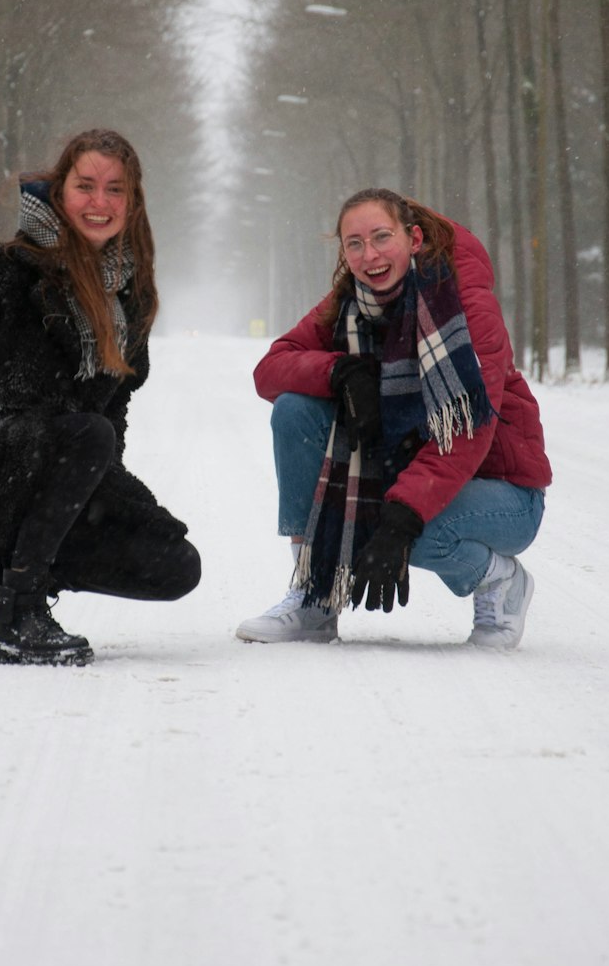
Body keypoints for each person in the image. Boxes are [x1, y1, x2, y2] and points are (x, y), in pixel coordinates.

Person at [0, 128, 200, 667]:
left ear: (132, 205)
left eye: (115, 190)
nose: (99, 202)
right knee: (88, 432)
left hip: (60, 466)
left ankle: (16, 569)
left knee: (175, 563)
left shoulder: (130, 297)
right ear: (60, 191)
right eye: (86, 186)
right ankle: (17, 613)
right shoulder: (3, 270)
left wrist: (118, 501)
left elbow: (113, 412)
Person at [236, 188, 551, 650]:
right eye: (355, 244)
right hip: (414, 475)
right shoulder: (350, 303)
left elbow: (467, 434)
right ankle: (314, 595)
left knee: (411, 532)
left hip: (502, 492)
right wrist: (340, 371)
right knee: (295, 410)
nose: (371, 255)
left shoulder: (466, 305)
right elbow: (271, 369)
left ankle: (502, 581)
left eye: (382, 237)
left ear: (414, 238)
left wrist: (399, 518)